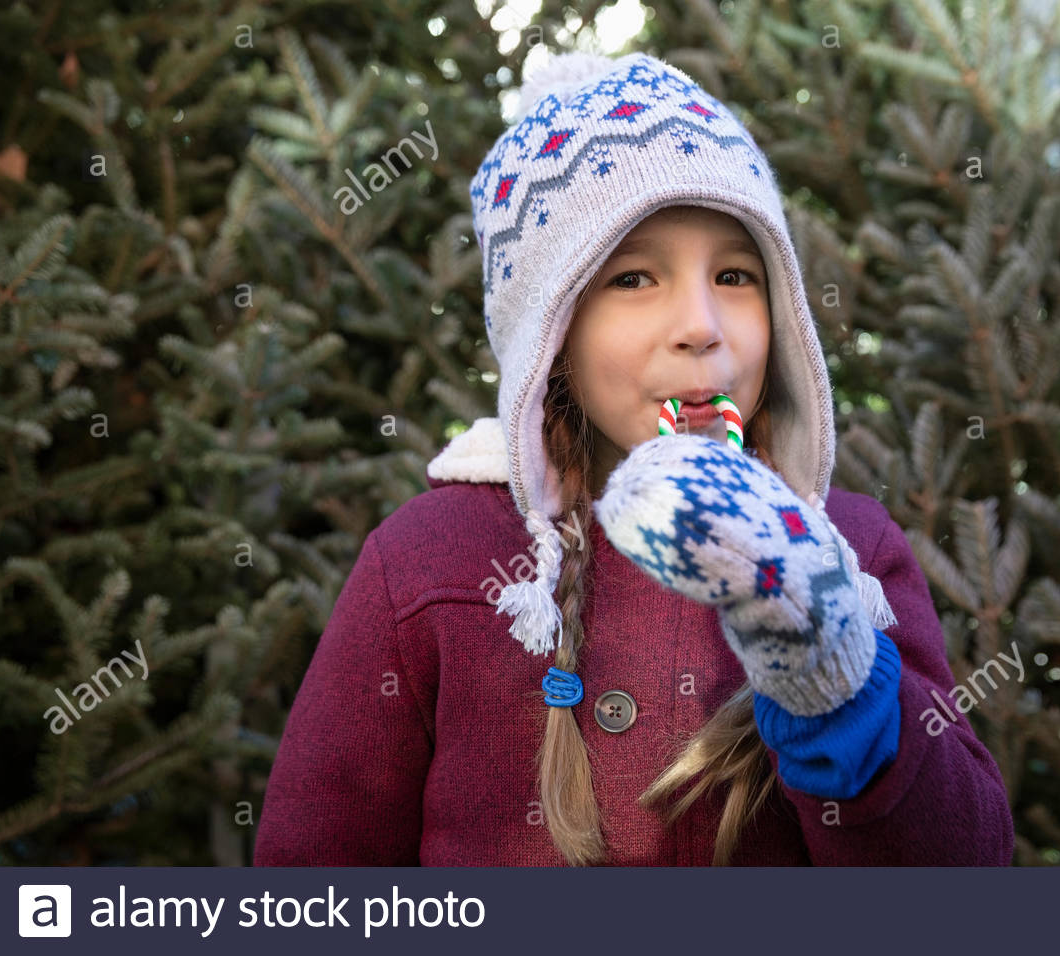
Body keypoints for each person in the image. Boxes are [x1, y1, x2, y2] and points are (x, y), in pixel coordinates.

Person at [254, 51, 1014, 866]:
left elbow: (964, 869)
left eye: (734, 273)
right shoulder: (428, 563)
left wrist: (838, 679)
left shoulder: (849, 552)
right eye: (634, 278)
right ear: (553, 333)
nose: (700, 324)